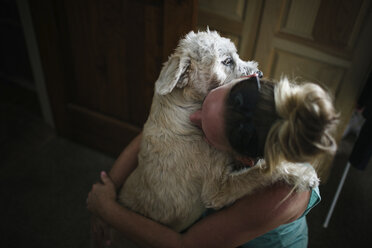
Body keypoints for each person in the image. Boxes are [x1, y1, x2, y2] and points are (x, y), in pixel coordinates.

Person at [87, 75, 339, 248]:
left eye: (205, 131)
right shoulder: (241, 95)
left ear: (242, 159)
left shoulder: (283, 194)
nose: (192, 118)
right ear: (245, 78)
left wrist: (108, 210)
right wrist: (110, 187)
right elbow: (153, 135)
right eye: (204, 104)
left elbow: (186, 246)